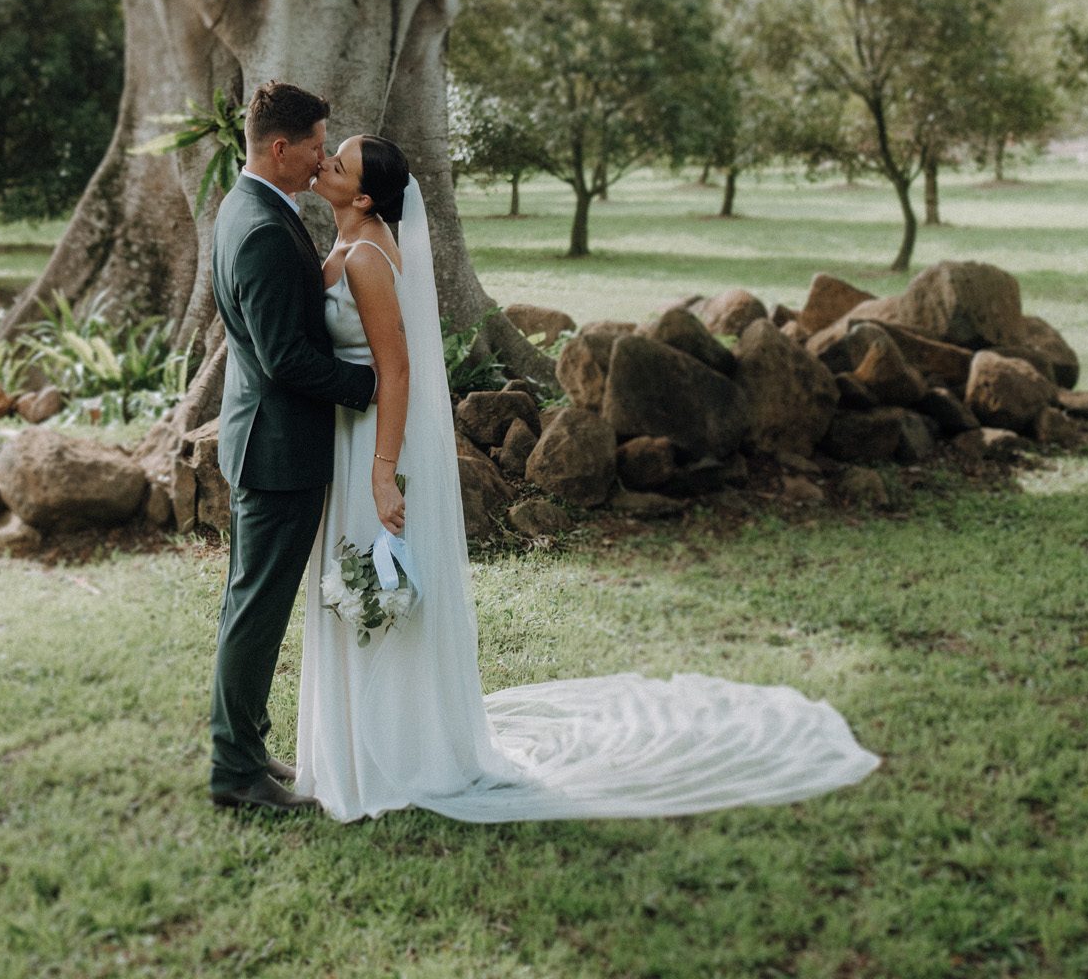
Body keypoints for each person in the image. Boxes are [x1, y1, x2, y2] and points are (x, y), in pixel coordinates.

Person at [295, 133, 882, 824]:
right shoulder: (351, 244)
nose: (324, 163)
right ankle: (362, 747)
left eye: (338, 163)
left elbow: (398, 371)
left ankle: (387, 754)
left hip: (374, 440)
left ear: (363, 196)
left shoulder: (365, 255)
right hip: (351, 435)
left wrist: (384, 474)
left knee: (374, 586)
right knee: (363, 590)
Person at [207, 81, 376, 811]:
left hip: (260, 439)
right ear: (281, 148)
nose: (320, 157)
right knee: (256, 611)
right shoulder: (267, 231)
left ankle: (242, 747)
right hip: (276, 452)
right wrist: (371, 388)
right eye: (315, 143)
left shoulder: (245, 206)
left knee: (247, 605)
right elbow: (286, 359)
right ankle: (235, 773)